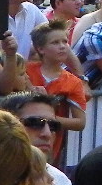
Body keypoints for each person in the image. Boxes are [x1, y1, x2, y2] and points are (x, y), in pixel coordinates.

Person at [26, 21, 87, 160]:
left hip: (51, 145)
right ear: (40, 49)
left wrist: (48, 118)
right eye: (55, 42)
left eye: (65, 41)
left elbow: (80, 122)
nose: (62, 46)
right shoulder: (25, 71)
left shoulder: (73, 82)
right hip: (23, 140)